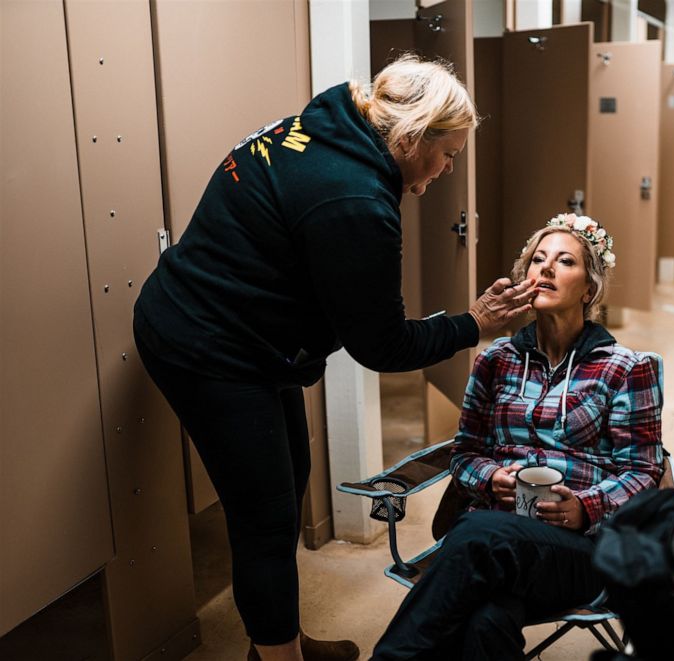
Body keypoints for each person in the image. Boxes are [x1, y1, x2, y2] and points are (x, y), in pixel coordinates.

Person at [132, 55, 537, 661]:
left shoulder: (331, 120)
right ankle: (277, 657)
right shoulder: (354, 200)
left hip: (250, 336)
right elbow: (383, 346)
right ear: (409, 138)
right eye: (447, 152)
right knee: (265, 517)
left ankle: (278, 640)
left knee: (291, 473)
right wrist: (473, 325)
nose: (450, 168)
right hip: (206, 344)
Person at [371, 214, 666, 661]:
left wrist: (584, 508)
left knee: (474, 535)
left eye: (564, 261)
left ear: (589, 290)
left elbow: (643, 470)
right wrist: (491, 479)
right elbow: (465, 453)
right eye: (537, 259)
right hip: (500, 536)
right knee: (486, 619)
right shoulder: (496, 360)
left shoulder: (625, 367)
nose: (545, 268)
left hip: (582, 550)